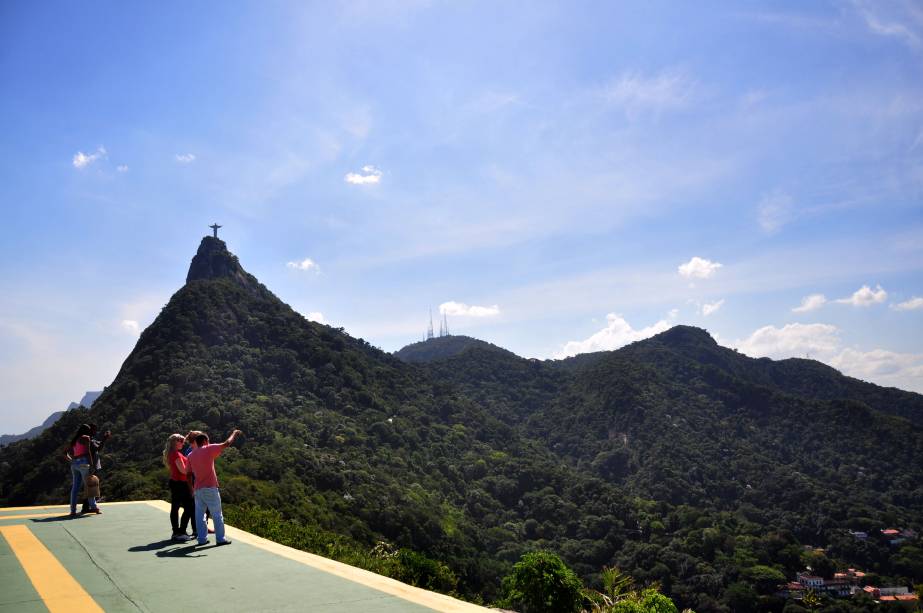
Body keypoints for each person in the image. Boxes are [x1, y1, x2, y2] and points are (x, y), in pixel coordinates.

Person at [186, 429, 242, 546]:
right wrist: (234, 433)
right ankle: (220, 539)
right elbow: (227, 443)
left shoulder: (190, 455)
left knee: (199, 515)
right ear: (205, 441)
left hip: (197, 489)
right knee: (217, 514)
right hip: (210, 487)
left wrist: (191, 489)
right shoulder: (209, 449)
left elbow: (188, 474)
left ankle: (202, 539)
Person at [163, 433, 195, 542]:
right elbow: (183, 470)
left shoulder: (173, 453)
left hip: (177, 483)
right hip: (180, 484)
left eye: (183, 441)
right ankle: (178, 532)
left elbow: (179, 440)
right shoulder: (175, 454)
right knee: (188, 507)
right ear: (174, 443)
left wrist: (186, 436)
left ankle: (179, 532)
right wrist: (195, 467)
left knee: (178, 507)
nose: (182, 443)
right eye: (180, 441)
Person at [64, 424, 100, 516]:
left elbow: (64, 453)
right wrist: (92, 465)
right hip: (83, 463)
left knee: (75, 488)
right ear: (86, 431)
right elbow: (88, 452)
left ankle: (72, 511)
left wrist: (72, 460)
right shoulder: (86, 438)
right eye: (89, 430)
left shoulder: (74, 440)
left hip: (74, 464)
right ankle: (94, 507)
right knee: (89, 485)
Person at [80, 424, 111, 513]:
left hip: (90, 465)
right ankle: (89, 507)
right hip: (91, 466)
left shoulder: (89, 440)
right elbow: (98, 448)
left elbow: (98, 444)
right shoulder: (88, 440)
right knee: (91, 486)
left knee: (89, 486)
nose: (95, 431)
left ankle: (86, 507)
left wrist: (104, 439)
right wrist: (105, 438)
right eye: (93, 430)